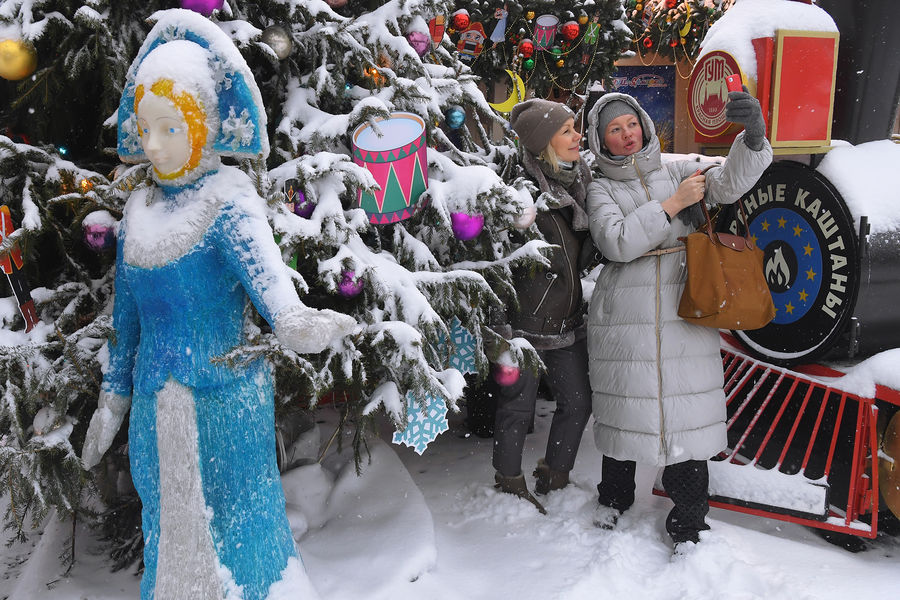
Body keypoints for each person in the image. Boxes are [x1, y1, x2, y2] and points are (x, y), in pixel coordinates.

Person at [80, 10, 355, 599]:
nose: (152, 144)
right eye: (145, 128)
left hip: (226, 399)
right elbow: (125, 326)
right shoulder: (136, 215)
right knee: (169, 522)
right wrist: (112, 400)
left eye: (170, 128)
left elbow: (272, 290)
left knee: (238, 522)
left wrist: (300, 324)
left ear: (202, 125)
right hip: (156, 409)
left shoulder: (229, 201)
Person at [583, 89, 772, 549]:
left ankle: (689, 520)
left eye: (631, 123)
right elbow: (615, 242)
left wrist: (752, 139)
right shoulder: (599, 187)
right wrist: (670, 206)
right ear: (601, 140)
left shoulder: (677, 168)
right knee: (627, 406)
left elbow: (727, 183)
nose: (626, 134)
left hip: (684, 302)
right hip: (623, 312)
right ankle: (614, 498)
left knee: (687, 412)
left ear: (645, 125)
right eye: (614, 128)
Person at [490, 99, 595, 514]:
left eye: (575, 128)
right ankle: (509, 481)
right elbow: (496, 252)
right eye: (567, 130)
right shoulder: (521, 191)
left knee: (578, 402)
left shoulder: (579, 182)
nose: (577, 137)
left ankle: (556, 473)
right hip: (525, 324)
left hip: (567, 319)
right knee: (516, 408)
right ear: (543, 142)